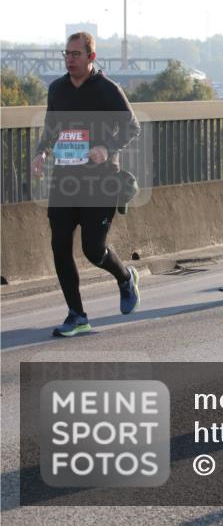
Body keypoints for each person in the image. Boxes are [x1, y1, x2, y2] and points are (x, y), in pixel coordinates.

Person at [30, 32, 141, 337]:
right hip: (65, 181)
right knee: (60, 246)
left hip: (101, 182)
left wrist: (107, 147)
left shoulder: (108, 89)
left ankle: (124, 276)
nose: (69, 59)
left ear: (91, 57)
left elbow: (132, 126)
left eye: (75, 54)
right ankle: (77, 315)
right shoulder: (57, 89)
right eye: (66, 53)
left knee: (93, 250)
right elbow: (50, 129)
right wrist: (40, 153)